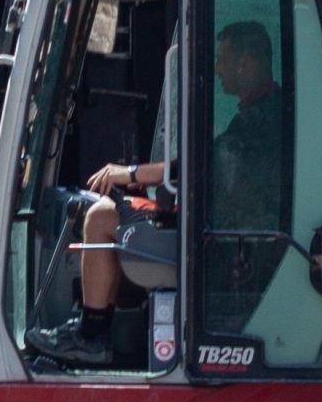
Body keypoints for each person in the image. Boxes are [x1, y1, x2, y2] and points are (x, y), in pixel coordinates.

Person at [76, 16, 287, 321]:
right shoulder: (269, 110)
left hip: (226, 246)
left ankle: (92, 332)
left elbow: (200, 165)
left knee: (99, 217)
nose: (217, 69)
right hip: (227, 233)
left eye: (222, 60)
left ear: (245, 63)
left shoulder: (260, 120)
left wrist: (132, 173)